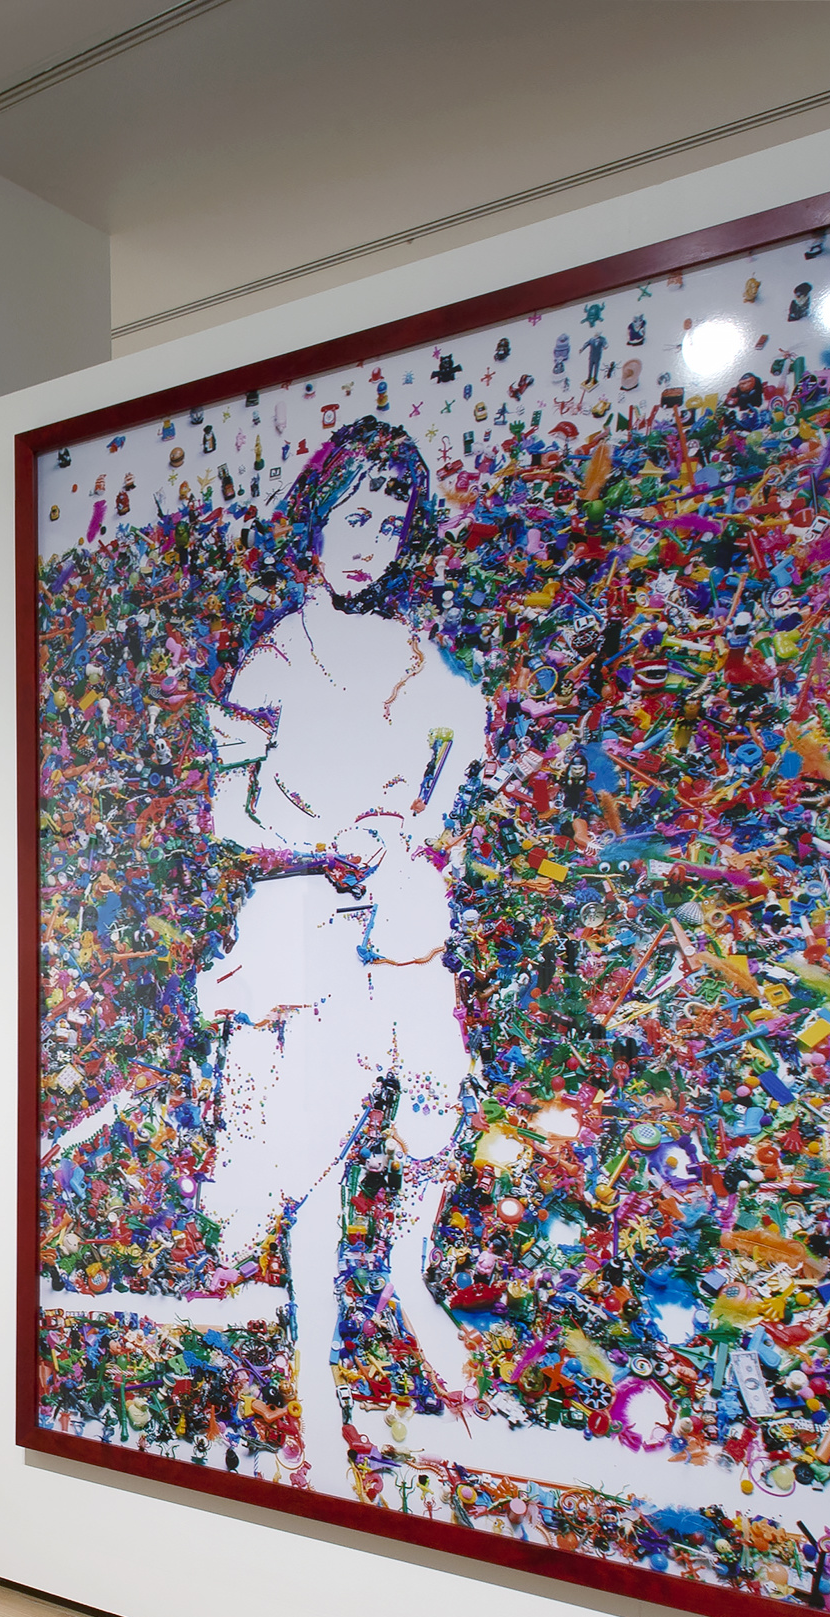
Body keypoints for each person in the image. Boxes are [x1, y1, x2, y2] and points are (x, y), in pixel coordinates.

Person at [196, 417, 492, 1490]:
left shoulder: (420, 657)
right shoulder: (275, 653)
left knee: (435, 1101)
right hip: (300, 917)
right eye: (353, 517)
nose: (369, 542)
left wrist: (417, 829)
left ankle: (410, 1279)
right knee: (316, 1162)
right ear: (315, 521)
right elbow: (228, 815)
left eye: (389, 524)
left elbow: (466, 743)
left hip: (400, 915)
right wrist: (329, 842)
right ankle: (317, 1396)